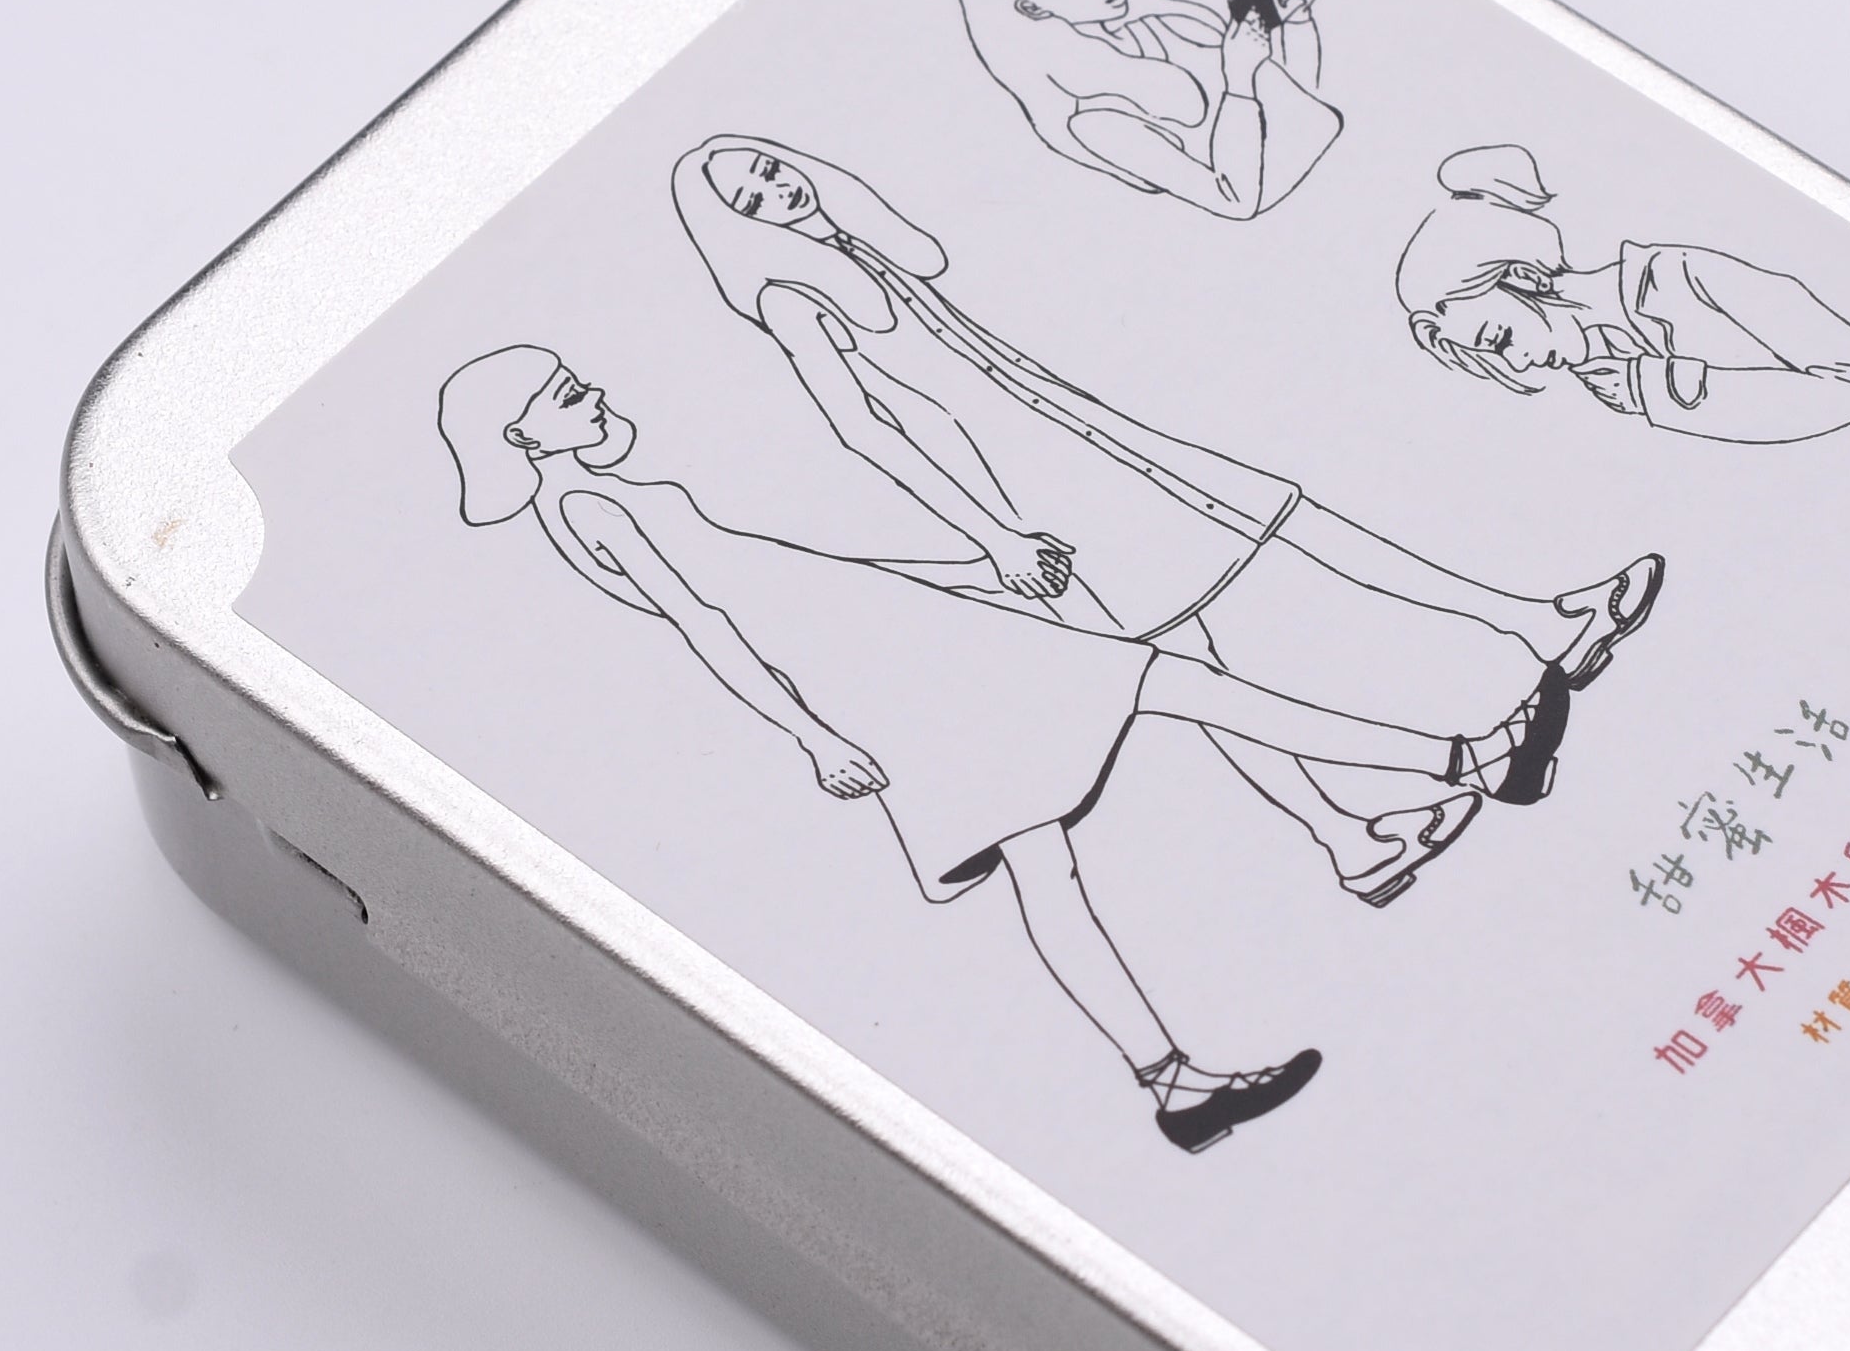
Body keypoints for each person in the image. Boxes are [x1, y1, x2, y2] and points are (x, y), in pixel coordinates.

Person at [437, 347, 1562, 1155]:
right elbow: (708, 624)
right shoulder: (591, 510)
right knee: (1166, 687)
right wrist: (814, 734)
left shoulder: (608, 495)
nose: (592, 395)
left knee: (1057, 844)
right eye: (563, 397)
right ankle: (1466, 762)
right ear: (522, 438)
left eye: (577, 380)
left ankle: (1176, 1084)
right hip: (884, 679)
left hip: (899, 650)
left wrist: (972, 572)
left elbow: (796, 579)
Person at [674, 137, 1665, 909]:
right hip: (1032, 490)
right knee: (1196, 653)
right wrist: (997, 536)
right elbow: (865, 429)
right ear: (738, 228)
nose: (774, 190)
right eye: (748, 198)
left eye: (767, 168)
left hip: (1083, 437)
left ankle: (1514, 651)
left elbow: (942, 290)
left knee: (1281, 532)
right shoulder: (788, 294)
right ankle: (1363, 819)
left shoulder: (856, 245)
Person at [1396, 145, 1850, 445]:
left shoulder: (1682, 278)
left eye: (1502, 337)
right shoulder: (1603, 377)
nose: (1520, 361)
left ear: (1526, 277)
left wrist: (1657, 389)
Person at [953, 0, 1341, 219]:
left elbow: (1299, 101)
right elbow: (1235, 201)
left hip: (1342, 177)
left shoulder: (1155, 29)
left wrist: (1295, 20)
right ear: (1032, 9)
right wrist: (1238, 80)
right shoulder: (1094, 120)